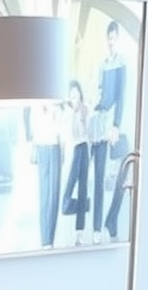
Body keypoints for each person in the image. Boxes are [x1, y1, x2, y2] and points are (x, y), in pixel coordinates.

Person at [88, 20, 127, 242]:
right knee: (100, 178)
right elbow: (100, 92)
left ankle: (111, 219)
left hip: (115, 124)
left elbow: (121, 94)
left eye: (114, 37)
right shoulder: (103, 64)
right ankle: (101, 224)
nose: (111, 41)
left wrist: (116, 124)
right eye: (109, 37)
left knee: (122, 175)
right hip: (101, 122)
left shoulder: (121, 63)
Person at [23, 100, 63, 248]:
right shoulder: (33, 106)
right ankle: (45, 239)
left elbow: (60, 131)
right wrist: (32, 148)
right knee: (44, 193)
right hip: (41, 147)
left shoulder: (56, 105)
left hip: (55, 147)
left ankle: (50, 236)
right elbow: (32, 130)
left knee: (54, 192)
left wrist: (62, 152)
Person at [60, 80, 90, 244]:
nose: (74, 97)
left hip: (83, 148)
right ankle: (67, 216)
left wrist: (81, 118)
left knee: (83, 189)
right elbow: (70, 135)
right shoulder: (68, 113)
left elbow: (85, 133)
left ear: (80, 93)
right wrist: (72, 115)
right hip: (73, 150)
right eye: (71, 95)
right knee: (70, 185)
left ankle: (80, 231)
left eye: (76, 93)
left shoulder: (85, 110)